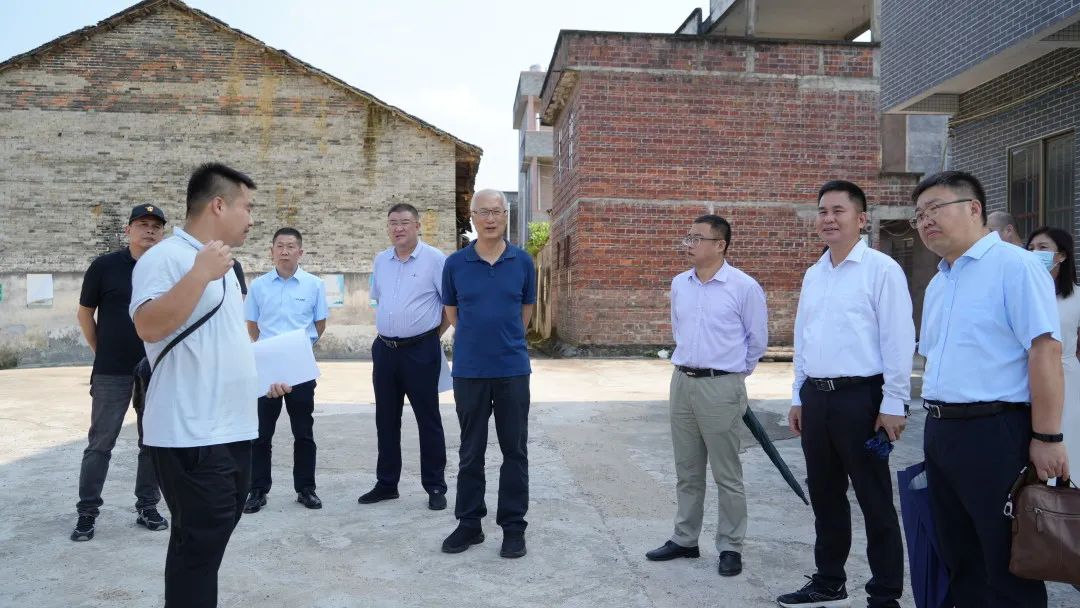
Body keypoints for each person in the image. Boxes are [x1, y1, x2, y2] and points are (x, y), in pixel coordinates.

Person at [130, 163, 290, 607]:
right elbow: (147, 325)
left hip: (232, 427)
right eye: (247, 207)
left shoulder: (228, 267)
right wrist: (200, 273)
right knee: (199, 545)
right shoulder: (166, 257)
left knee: (206, 542)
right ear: (219, 205)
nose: (252, 218)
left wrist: (265, 377)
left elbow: (225, 341)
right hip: (191, 431)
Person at [913, 171, 1067, 608]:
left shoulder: (1015, 266)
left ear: (974, 208)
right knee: (959, 556)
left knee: (1006, 561)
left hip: (994, 432)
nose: (925, 221)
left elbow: (1044, 351)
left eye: (935, 208)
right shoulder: (940, 281)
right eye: (919, 215)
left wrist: (1047, 437)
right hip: (941, 430)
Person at [777, 181, 913, 608]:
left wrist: (894, 402)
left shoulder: (881, 270)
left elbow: (898, 340)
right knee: (825, 494)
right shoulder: (814, 273)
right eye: (823, 211)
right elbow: (804, 338)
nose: (829, 219)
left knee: (874, 498)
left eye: (839, 210)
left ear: (862, 219)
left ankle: (885, 593)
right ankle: (829, 580)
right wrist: (799, 395)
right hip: (817, 398)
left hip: (862, 399)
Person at [644, 214, 767, 577]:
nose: (689, 243)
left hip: (721, 385)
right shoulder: (680, 284)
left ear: (721, 245)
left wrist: (731, 377)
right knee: (687, 469)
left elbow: (756, 341)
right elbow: (678, 330)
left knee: (727, 473)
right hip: (682, 382)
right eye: (688, 237)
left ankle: (730, 545)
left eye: (698, 238)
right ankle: (685, 538)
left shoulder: (744, 287)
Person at [440, 189, 535, 558]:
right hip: (470, 371)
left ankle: (513, 527)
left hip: (512, 369)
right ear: (473, 217)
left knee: (515, 451)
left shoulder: (522, 262)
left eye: (497, 211)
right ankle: (469, 524)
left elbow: (525, 312)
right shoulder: (455, 264)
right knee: (470, 450)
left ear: (506, 215)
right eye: (484, 212)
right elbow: (452, 313)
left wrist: (504, 340)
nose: (491, 218)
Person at [70, 204, 169, 542]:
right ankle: (87, 512)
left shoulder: (168, 270)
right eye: (143, 224)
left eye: (156, 225)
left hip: (155, 369)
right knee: (100, 443)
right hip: (111, 371)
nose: (150, 230)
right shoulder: (105, 266)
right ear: (128, 230)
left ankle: (147, 506)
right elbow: (85, 314)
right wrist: (102, 351)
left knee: (151, 442)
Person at [358, 203, 450, 511]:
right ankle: (387, 484)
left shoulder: (435, 259)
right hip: (385, 350)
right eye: (393, 223)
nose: (398, 228)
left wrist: (430, 336)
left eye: (405, 222)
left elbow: (449, 305)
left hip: (421, 350)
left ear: (418, 226)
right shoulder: (381, 260)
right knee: (386, 419)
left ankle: (435, 485)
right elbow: (380, 299)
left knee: (428, 419)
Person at [243, 227, 328, 513]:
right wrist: (271, 354)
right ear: (272, 251)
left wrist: (296, 353)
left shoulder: (314, 285)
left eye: (291, 246)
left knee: (303, 431)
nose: (285, 251)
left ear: (300, 252)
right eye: (279, 246)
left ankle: (306, 488)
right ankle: (257, 490)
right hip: (266, 368)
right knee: (260, 433)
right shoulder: (258, 286)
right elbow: (253, 326)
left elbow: (319, 325)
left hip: (299, 368)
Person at [1026, 226, 1080, 479]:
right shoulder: (1025, 294)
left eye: (1043, 248)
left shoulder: (1076, 297)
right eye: (1031, 248)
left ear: (1062, 255)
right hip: (1029, 377)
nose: (1035, 253)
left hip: (1068, 378)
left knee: (1069, 440)